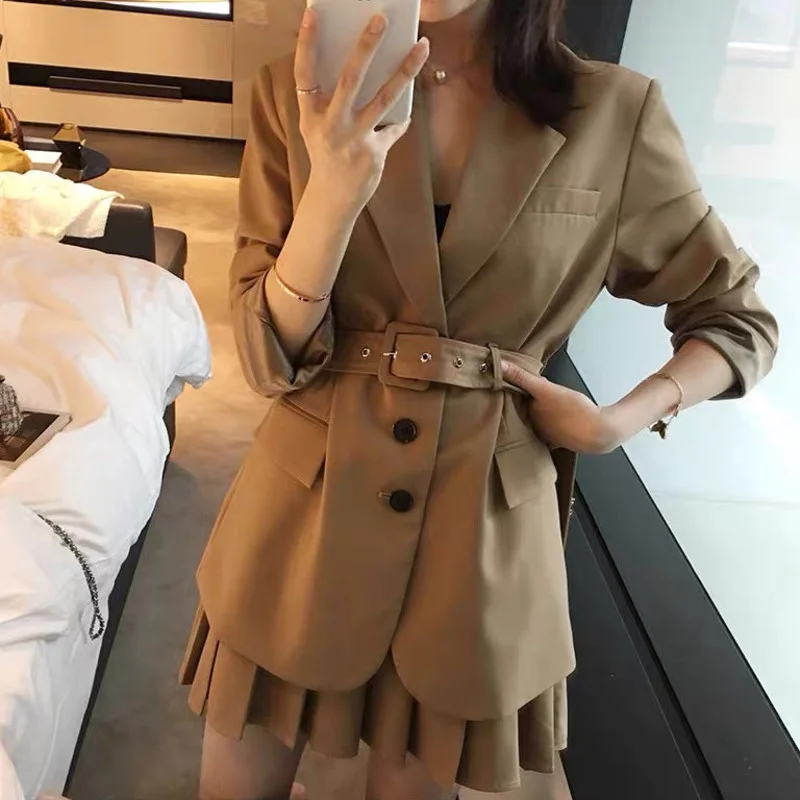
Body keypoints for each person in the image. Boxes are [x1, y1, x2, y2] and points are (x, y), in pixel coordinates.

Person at [179, 1, 779, 798]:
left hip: (477, 540)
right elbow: (265, 359)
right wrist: (331, 197)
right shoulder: (297, 93)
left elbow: (738, 318)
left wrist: (615, 422)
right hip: (302, 517)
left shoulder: (613, 114)